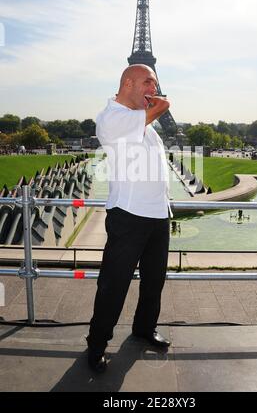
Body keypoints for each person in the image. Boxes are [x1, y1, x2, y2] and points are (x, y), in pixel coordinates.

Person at [87, 64, 172, 372]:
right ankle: (96, 344)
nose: (154, 87)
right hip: (129, 216)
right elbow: (158, 109)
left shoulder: (143, 124)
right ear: (128, 83)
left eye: (155, 82)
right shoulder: (111, 118)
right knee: (114, 285)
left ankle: (144, 328)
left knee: (154, 282)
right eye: (149, 81)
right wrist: (160, 105)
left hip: (158, 215)